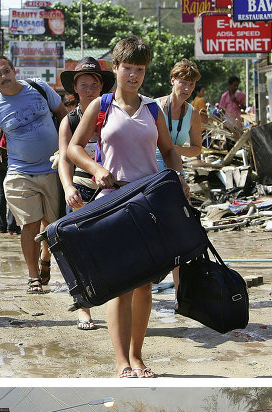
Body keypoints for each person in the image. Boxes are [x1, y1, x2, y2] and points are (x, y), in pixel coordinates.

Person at [68, 36, 187, 378]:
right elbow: (74, 148)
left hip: (148, 202)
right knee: (119, 285)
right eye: (128, 68)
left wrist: (179, 175)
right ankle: (121, 362)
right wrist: (96, 169)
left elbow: (168, 151)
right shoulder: (101, 105)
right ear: (116, 68)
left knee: (144, 285)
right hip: (113, 203)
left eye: (140, 69)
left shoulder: (153, 109)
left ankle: (137, 356)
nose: (134, 75)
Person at [0, 57, 67, 294]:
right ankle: (33, 276)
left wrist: (68, 152)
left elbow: (62, 115)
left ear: (15, 71)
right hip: (19, 172)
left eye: (7, 71)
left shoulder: (39, 88)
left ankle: (45, 256)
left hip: (54, 168)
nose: (4, 77)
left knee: (53, 224)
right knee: (30, 223)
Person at [58, 57, 115, 332]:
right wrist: (68, 188)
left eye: (94, 84)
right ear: (75, 89)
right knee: (77, 250)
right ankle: (84, 309)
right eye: (84, 85)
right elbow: (65, 160)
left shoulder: (114, 114)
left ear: (102, 86)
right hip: (81, 189)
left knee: (112, 248)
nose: (89, 89)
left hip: (112, 188)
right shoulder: (70, 121)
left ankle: (117, 305)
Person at [154, 59, 202, 171]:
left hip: (175, 169)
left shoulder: (193, 113)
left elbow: (197, 149)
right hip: (151, 169)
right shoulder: (154, 106)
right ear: (173, 80)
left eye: (191, 84)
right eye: (183, 83)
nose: (187, 89)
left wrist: (178, 150)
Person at [0, 129, 20, 235]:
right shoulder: (8, 118)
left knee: (2, 193)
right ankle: (12, 225)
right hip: (9, 158)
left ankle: (1, 226)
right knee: (13, 191)